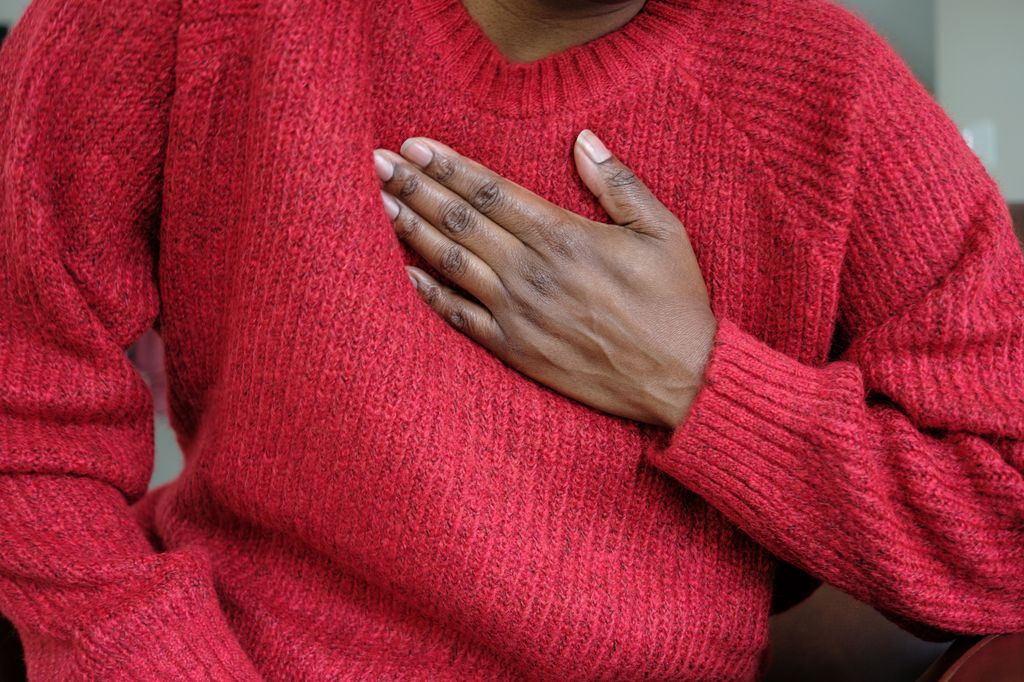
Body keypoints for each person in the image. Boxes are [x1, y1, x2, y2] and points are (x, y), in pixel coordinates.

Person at [0, 0, 1021, 679]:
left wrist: (698, 380)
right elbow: (22, 421)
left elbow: (1004, 520)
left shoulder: (830, 89)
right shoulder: (182, 18)